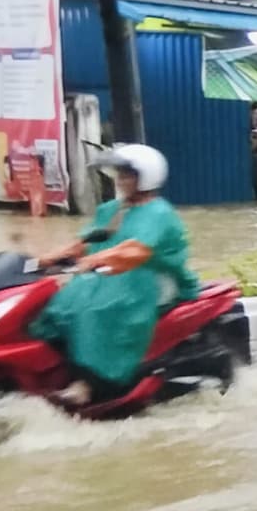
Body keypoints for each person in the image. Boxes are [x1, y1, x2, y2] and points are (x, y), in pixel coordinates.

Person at [31, 144, 200, 407]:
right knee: (61, 303)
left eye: (127, 175)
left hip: (152, 279)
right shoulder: (112, 209)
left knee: (97, 309)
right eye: (119, 174)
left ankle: (88, 384)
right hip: (111, 273)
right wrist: (43, 259)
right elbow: (86, 241)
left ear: (146, 177)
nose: (121, 180)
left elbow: (137, 250)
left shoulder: (159, 213)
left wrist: (94, 260)